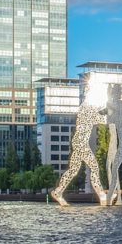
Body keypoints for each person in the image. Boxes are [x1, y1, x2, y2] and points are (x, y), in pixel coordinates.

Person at [49, 76, 109, 206]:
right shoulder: (87, 108)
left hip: (78, 142)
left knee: (73, 170)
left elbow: (100, 108)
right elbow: (102, 119)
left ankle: (58, 191)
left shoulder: (85, 106)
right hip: (81, 142)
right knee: (94, 167)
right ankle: (102, 195)